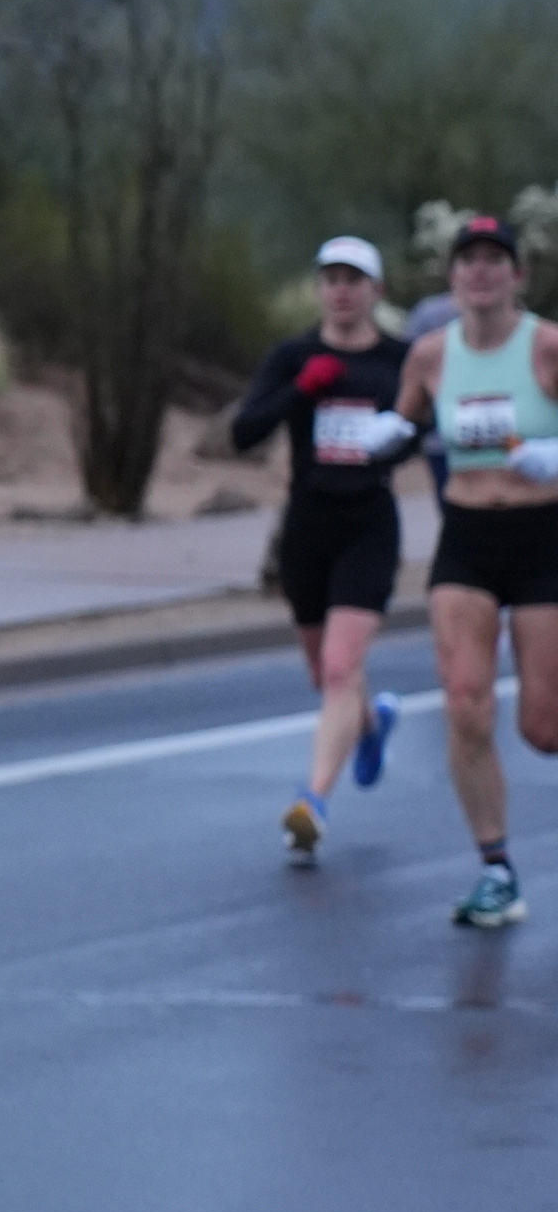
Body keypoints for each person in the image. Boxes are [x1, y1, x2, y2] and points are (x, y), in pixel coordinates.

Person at [227, 236, 418, 860]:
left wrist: (396, 437)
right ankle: (371, 724)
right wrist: (301, 391)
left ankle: (312, 802)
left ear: (375, 291)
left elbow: (428, 425)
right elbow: (243, 432)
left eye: (353, 281)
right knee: (325, 674)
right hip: (307, 527)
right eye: (331, 280)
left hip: (369, 525)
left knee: (340, 667)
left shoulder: (400, 359)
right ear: (319, 289)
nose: (341, 291)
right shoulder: (294, 356)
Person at [393, 212, 558, 928]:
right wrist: (384, 436)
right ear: (453, 276)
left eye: (495, 260)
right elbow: (403, 426)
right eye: (469, 260)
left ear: (518, 275)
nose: (481, 272)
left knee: (544, 728)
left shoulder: (547, 348)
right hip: (466, 538)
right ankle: (496, 871)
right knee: (465, 701)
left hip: (544, 538)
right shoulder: (431, 354)